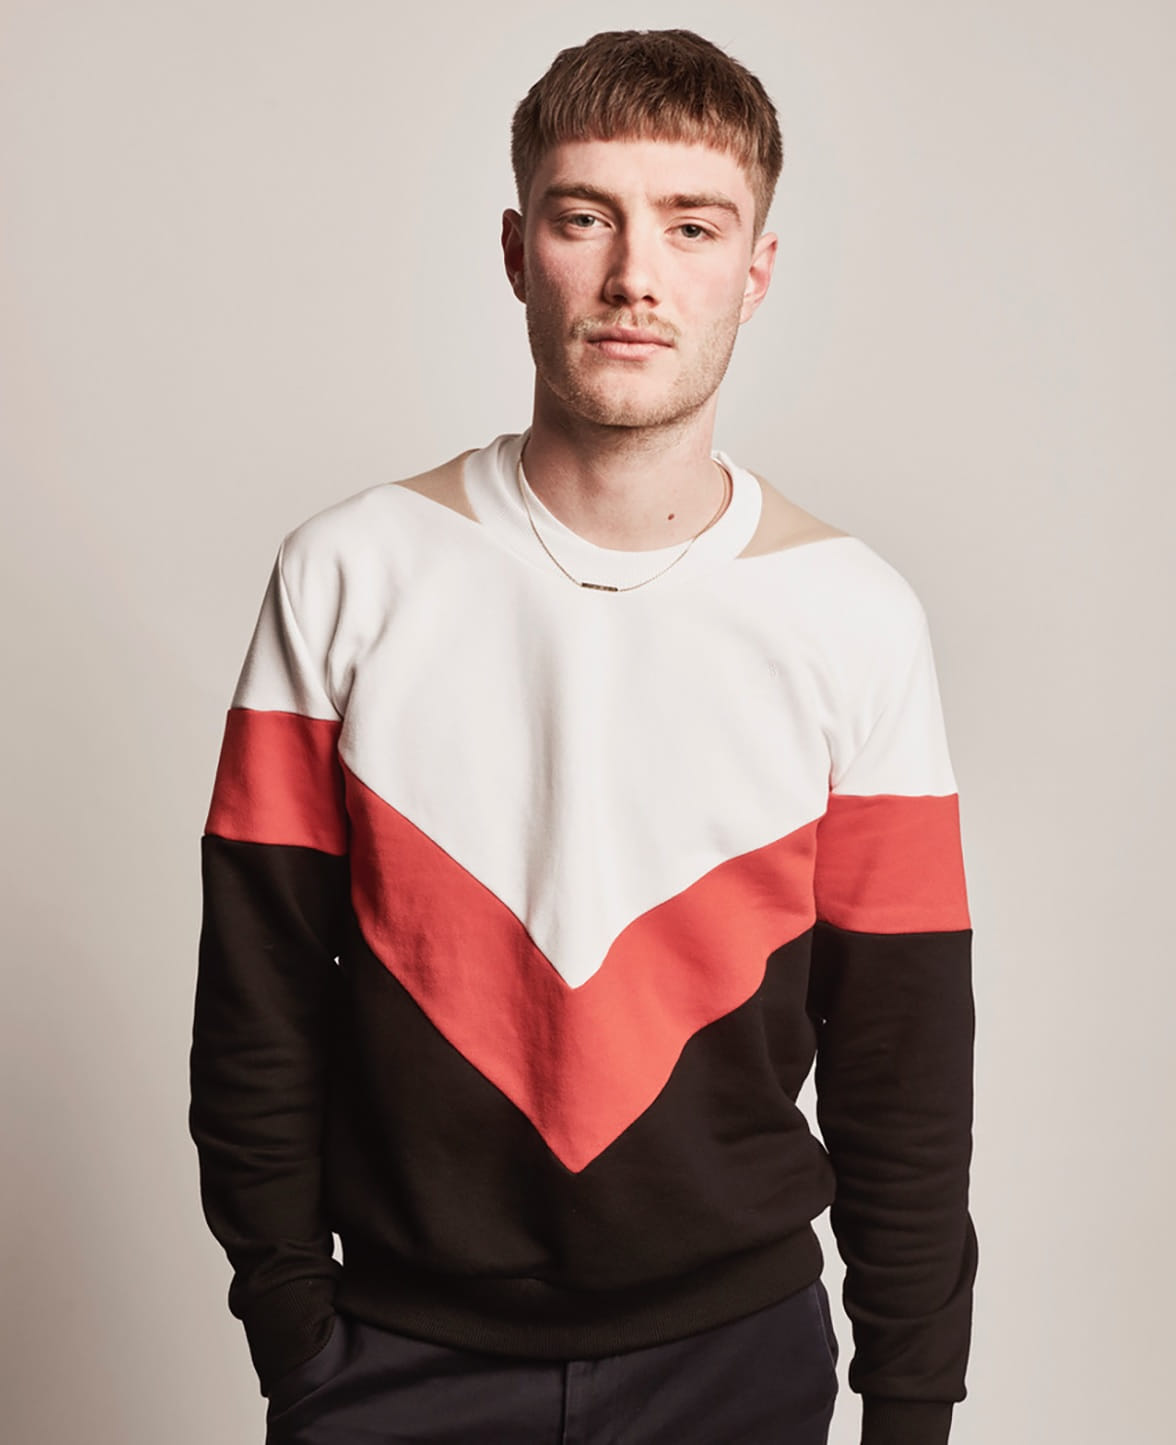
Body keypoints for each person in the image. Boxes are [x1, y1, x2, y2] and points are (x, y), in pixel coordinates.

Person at [189, 27, 977, 1445]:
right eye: (584, 217)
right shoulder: (349, 574)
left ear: (757, 270)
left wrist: (911, 1404)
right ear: (516, 250)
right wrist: (293, 1325)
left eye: (691, 226)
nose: (635, 277)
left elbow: (902, 1058)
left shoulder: (854, 616)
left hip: (738, 1366)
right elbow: (257, 993)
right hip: (391, 1361)